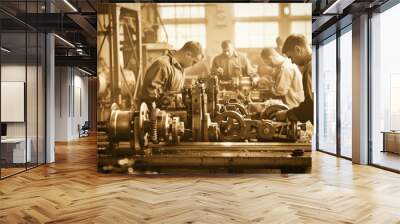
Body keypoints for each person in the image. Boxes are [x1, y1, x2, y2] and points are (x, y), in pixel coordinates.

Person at [140, 41, 204, 106]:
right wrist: (169, 100)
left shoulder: (180, 69)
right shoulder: (162, 65)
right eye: (194, 62)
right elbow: (148, 95)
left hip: (172, 113)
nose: (192, 66)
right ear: (188, 54)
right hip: (157, 113)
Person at [275, 34, 313, 124]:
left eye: (291, 57)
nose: (292, 62)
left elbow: (310, 106)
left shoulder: (309, 68)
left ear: (298, 50)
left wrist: (287, 114)